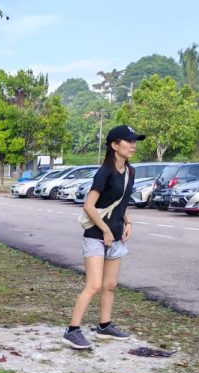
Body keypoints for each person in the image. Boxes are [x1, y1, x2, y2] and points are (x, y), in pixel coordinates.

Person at [62, 124, 144, 350]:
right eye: (129, 141)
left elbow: (121, 201)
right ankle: (72, 330)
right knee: (94, 285)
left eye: (134, 141)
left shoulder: (130, 171)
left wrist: (127, 222)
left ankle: (105, 326)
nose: (133, 145)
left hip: (116, 236)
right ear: (114, 145)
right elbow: (89, 205)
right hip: (96, 236)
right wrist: (105, 230)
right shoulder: (104, 172)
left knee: (110, 285)